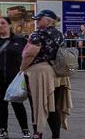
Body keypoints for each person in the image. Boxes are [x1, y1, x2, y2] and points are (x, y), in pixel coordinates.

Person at [20, 10, 71, 139]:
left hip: (41, 73)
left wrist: (22, 69)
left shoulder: (38, 34)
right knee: (53, 106)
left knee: (38, 104)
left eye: (39, 19)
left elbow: (30, 54)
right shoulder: (59, 34)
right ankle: (55, 135)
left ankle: (38, 133)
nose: (36, 22)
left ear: (49, 20)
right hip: (58, 72)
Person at [0, 16, 30, 139]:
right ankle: (3, 130)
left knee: (17, 104)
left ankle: (25, 130)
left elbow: (27, 56)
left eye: (3, 23)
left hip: (14, 78)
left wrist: (23, 70)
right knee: (1, 104)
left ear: (9, 25)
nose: (0, 25)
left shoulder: (19, 40)